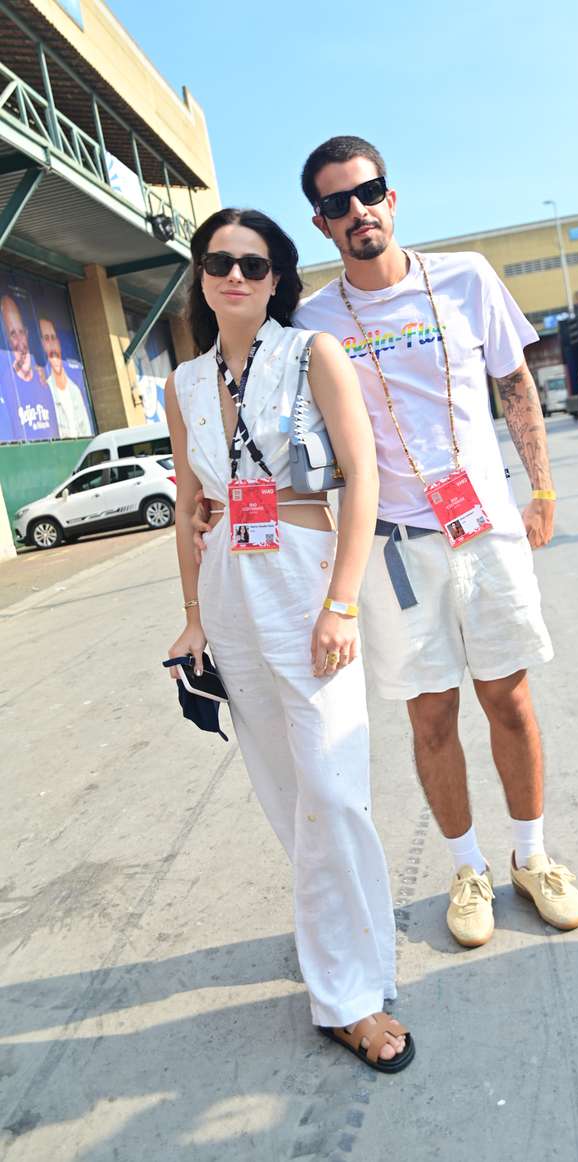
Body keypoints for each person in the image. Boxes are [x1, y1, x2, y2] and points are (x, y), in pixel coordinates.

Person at [291, 135, 578, 946]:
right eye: (336, 204)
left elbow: (513, 382)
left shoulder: (466, 276)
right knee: (430, 716)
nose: (357, 212)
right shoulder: (312, 321)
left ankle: (531, 855)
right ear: (321, 225)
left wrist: (543, 486)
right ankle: (469, 868)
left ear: (393, 196)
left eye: (368, 192)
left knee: (509, 697)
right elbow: (296, 436)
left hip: (484, 522)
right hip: (394, 545)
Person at [167, 207, 413, 1072]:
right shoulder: (185, 384)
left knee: (334, 788)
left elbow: (365, 476)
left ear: (278, 278)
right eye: (219, 261)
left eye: (255, 263)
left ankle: (348, 987)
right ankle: (348, 963)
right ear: (200, 274)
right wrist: (193, 613)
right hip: (232, 588)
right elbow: (185, 507)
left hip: (306, 577)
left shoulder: (312, 355)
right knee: (285, 792)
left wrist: (342, 603)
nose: (236, 275)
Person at [0, 294, 59, 440]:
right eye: (13, 334)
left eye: (21, 332)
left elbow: (55, 432)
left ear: (27, 333)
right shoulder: (5, 386)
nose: (20, 343)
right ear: (5, 341)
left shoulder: (42, 381)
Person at [39, 317, 92, 438]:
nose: (52, 345)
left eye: (53, 338)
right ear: (41, 345)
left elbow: (88, 433)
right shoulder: (46, 391)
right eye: (46, 339)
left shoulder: (75, 390)